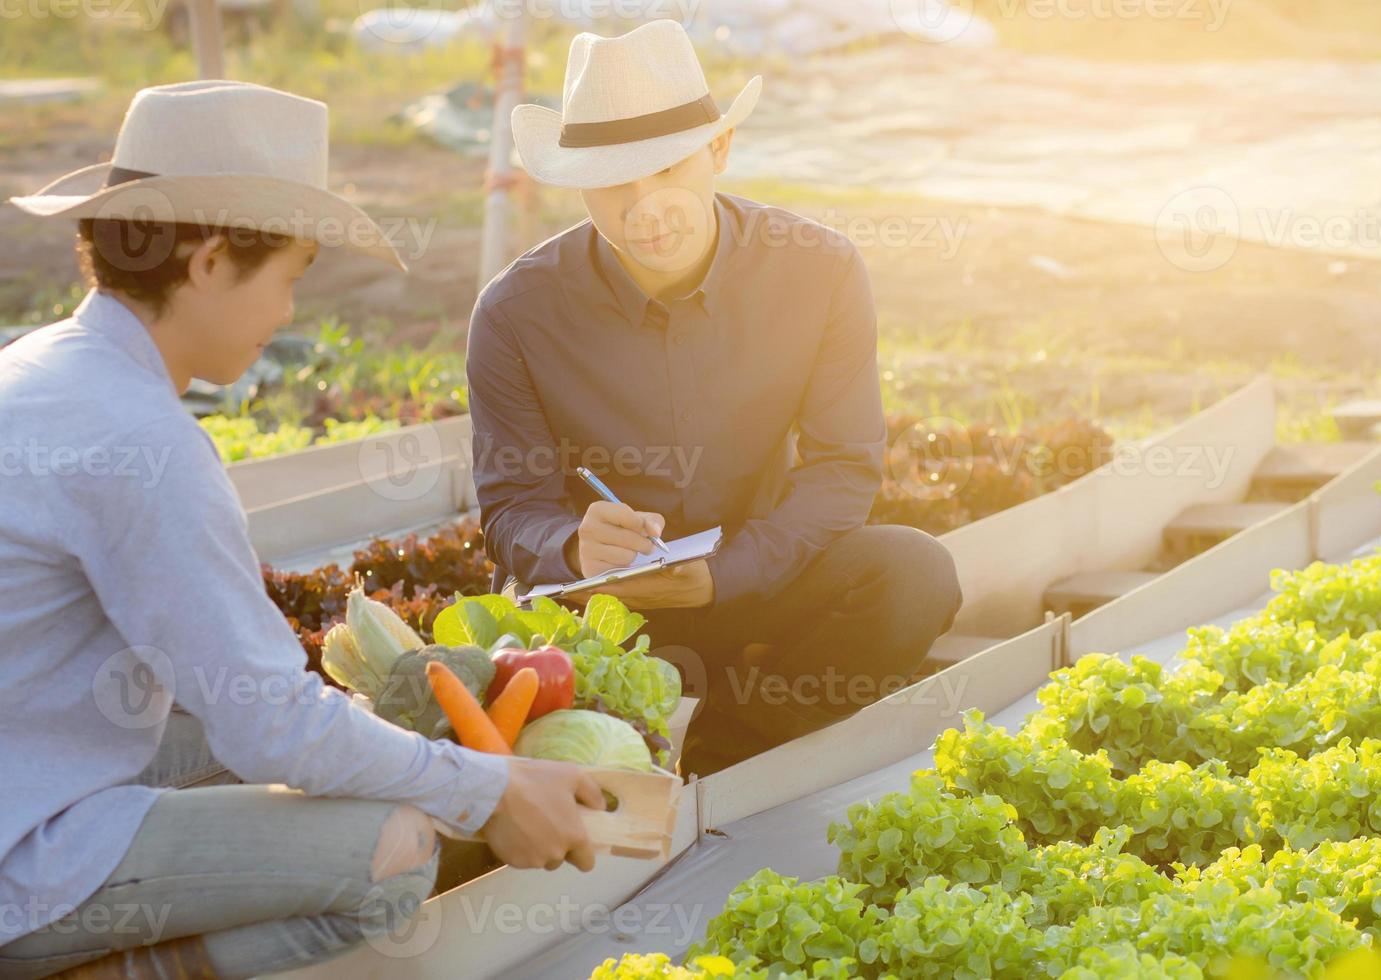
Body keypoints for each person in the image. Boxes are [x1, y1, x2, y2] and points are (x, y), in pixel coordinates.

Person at [0, 81, 603, 980]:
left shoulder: (45, 365)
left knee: (317, 740)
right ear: (208, 261)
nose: (289, 314)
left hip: (31, 759)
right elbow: (269, 727)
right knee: (395, 848)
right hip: (23, 844)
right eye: (288, 278)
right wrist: (489, 787)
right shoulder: (145, 441)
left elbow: (237, 700)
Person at [469, 21, 964, 776]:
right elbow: (511, 511)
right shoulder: (514, 314)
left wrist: (725, 574)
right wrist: (571, 545)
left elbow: (844, 470)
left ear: (719, 151)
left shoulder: (818, 272)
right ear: (576, 184)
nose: (647, 207)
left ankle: (728, 751)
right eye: (614, 183)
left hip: (756, 576)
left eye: (668, 169)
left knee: (914, 575)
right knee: (510, 658)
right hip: (607, 612)